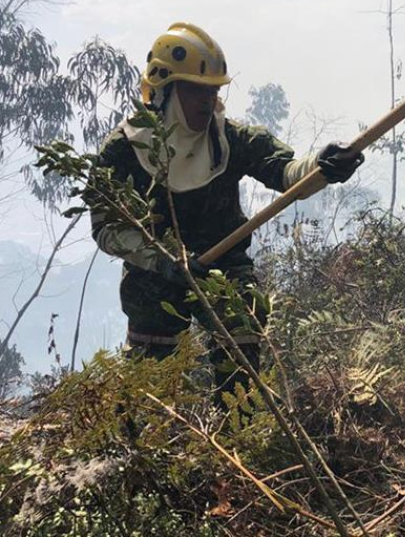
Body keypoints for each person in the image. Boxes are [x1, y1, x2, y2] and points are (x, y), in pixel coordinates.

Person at [89, 22, 363, 401]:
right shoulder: (122, 151)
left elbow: (286, 173)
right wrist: (168, 261)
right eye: (196, 90)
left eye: (213, 91)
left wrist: (324, 168)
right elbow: (106, 228)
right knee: (150, 388)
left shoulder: (229, 139)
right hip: (154, 276)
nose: (207, 101)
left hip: (224, 269)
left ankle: (237, 438)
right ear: (165, 89)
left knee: (242, 341)